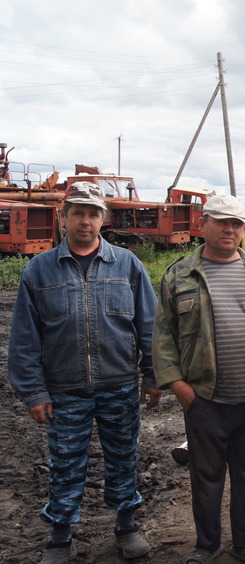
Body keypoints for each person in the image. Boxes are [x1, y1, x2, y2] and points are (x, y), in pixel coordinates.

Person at [8, 182, 158, 564]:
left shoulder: (127, 265)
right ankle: (61, 536)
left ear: (103, 220)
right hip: (64, 390)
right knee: (64, 463)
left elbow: (149, 326)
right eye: (77, 213)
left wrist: (153, 374)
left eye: (92, 214)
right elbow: (25, 339)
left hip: (119, 386)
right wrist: (34, 392)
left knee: (124, 457)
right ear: (64, 218)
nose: (85, 221)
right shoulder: (39, 270)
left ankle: (126, 526)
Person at [154, 194, 245, 564]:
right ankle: (205, 546)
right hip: (204, 398)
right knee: (206, 480)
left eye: (236, 223)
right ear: (203, 224)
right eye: (221, 222)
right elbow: (163, 333)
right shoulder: (179, 274)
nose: (230, 229)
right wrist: (177, 385)